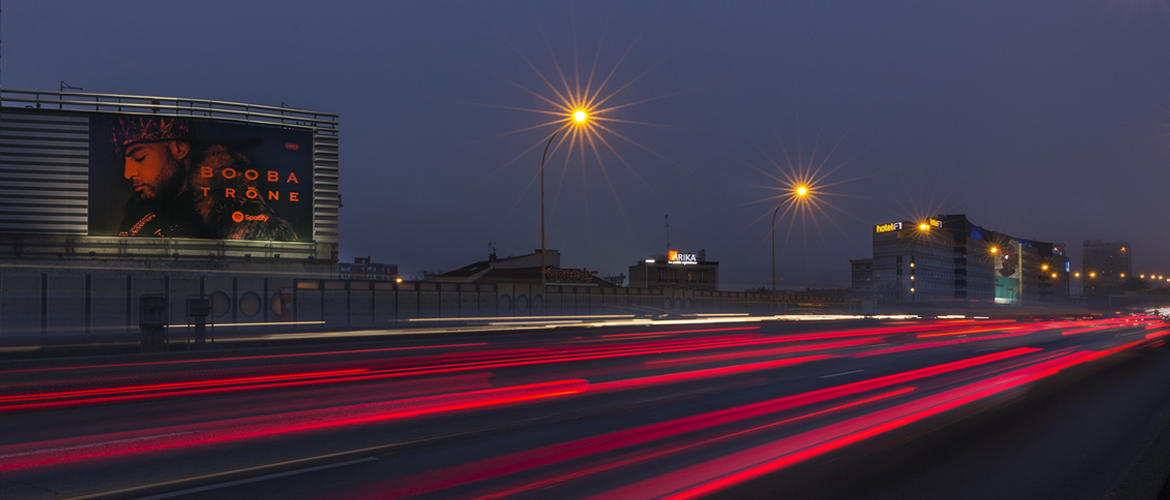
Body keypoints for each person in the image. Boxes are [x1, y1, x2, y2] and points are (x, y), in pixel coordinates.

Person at [109, 116, 296, 241]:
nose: (128, 173)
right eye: (124, 161)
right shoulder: (136, 214)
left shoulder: (234, 214)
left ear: (179, 149)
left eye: (139, 157)